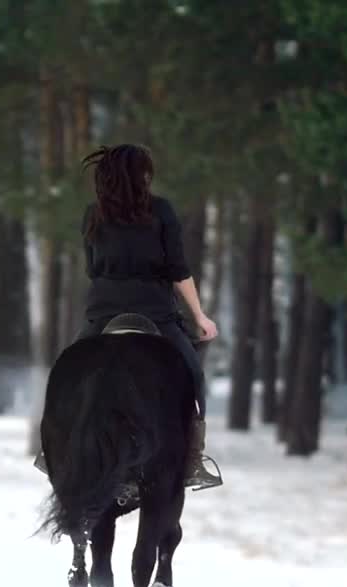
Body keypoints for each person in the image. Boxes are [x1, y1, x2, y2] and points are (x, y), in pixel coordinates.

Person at [35, 143, 222, 490]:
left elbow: (93, 268)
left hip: (102, 313)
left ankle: (52, 452)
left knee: (66, 375)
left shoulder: (93, 214)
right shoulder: (161, 210)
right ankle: (194, 458)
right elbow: (178, 270)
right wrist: (200, 316)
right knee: (193, 375)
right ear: (142, 175)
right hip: (155, 312)